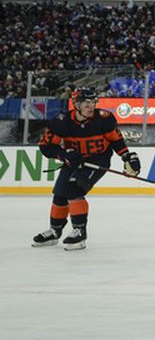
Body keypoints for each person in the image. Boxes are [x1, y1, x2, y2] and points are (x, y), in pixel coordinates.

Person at [33, 87, 141, 251]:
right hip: (73, 161)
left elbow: (116, 140)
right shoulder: (61, 122)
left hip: (98, 160)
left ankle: (80, 231)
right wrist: (63, 155)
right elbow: (46, 147)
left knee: (73, 189)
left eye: (93, 102)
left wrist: (126, 156)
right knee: (60, 194)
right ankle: (55, 231)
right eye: (86, 103)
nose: (91, 106)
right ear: (76, 104)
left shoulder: (104, 119)